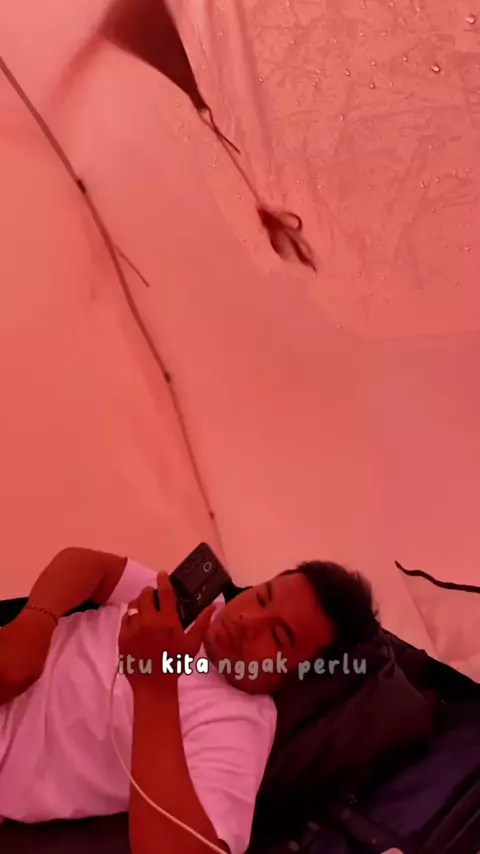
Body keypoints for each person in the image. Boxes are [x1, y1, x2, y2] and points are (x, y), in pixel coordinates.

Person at [0, 547, 378, 854]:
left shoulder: (237, 725)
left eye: (277, 637)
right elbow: (88, 564)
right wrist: (36, 621)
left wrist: (155, 687)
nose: (247, 620)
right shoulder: (196, 605)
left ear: (296, 676)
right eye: (262, 598)